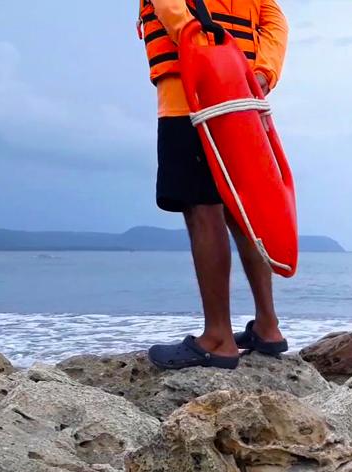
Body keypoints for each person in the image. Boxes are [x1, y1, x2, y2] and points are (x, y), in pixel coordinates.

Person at [139, 0, 290, 369]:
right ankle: (268, 327)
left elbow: (172, 9)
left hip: (190, 90)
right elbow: (275, 21)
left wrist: (200, 52)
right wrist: (261, 73)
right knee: (243, 211)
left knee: (202, 207)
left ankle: (217, 338)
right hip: (243, 93)